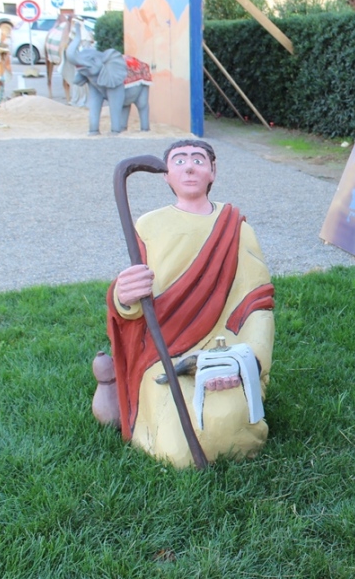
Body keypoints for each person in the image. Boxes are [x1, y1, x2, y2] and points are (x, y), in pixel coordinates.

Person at [98, 140, 275, 468]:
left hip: (225, 349)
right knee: (177, 454)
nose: (190, 167)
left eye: (198, 160)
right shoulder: (149, 225)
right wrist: (123, 296)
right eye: (179, 161)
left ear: (213, 171)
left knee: (228, 424)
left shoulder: (235, 226)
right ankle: (120, 393)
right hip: (163, 350)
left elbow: (257, 302)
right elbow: (134, 304)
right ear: (166, 175)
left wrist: (247, 359)